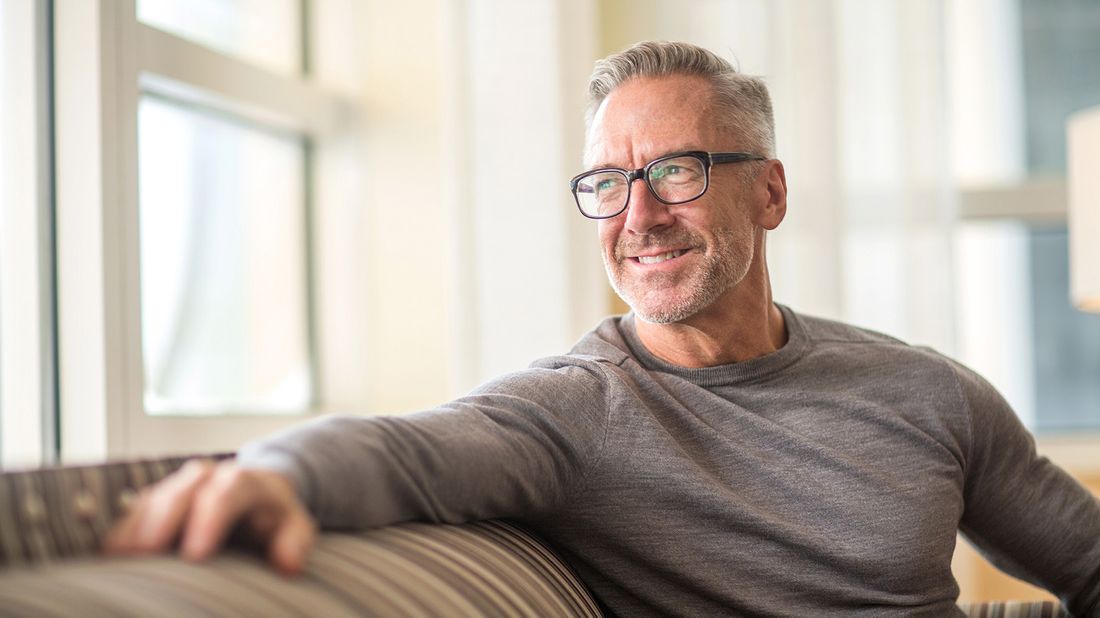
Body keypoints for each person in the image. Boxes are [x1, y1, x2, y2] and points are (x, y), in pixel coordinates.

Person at [106, 41, 1100, 616]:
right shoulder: (580, 413)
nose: (636, 218)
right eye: (605, 184)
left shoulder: (924, 390)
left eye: (673, 171)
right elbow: (409, 449)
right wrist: (275, 476)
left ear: (769, 192)